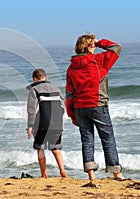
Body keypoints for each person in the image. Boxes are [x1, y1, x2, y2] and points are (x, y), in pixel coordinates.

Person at [65, 33, 124, 181]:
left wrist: (72, 115)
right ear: (90, 46)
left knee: (87, 139)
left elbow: (69, 94)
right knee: (107, 137)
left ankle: (91, 175)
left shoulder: (71, 68)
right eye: (93, 45)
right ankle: (116, 172)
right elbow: (116, 48)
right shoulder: (99, 61)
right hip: (97, 104)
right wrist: (99, 42)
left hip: (80, 108)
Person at [26, 68, 67, 178]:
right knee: (56, 148)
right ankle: (62, 170)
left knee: (40, 148)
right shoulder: (56, 89)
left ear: (35, 79)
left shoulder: (34, 89)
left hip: (42, 124)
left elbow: (31, 109)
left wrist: (30, 126)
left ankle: (44, 175)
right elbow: (62, 107)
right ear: (46, 77)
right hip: (57, 123)